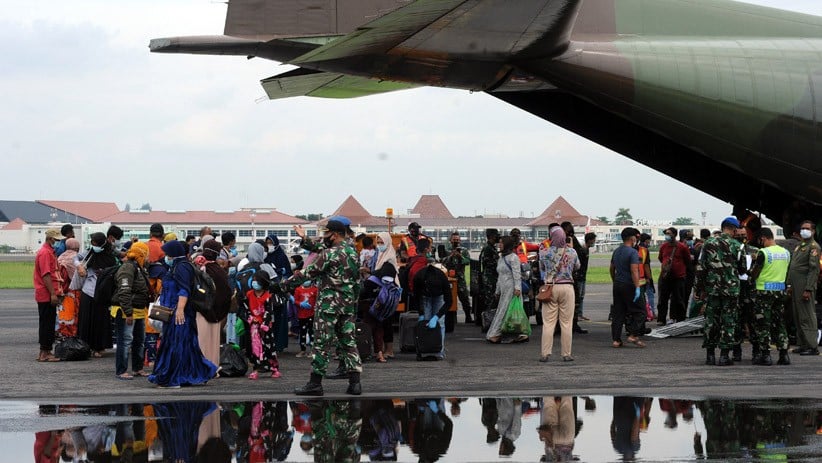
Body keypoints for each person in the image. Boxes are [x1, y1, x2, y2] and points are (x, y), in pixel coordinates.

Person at [291, 219, 362, 396]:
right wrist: (304, 238)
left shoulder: (329, 254)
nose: (324, 237)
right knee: (349, 342)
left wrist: (280, 287)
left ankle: (315, 383)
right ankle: (355, 383)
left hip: (328, 306)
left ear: (335, 234)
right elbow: (321, 247)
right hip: (347, 305)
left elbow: (307, 273)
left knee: (321, 343)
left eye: (326, 234)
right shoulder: (352, 252)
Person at [148, 240, 218, 388]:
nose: (166, 256)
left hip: (178, 313)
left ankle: (174, 377)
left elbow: (184, 289)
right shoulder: (177, 266)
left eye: (167, 253)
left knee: (176, 344)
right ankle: (197, 373)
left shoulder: (182, 267)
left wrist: (180, 309)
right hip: (175, 311)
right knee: (186, 345)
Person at [697, 216, 746, 366]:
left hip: (712, 289)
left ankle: (710, 355)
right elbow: (743, 268)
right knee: (728, 321)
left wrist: (699, 289)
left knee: (711, 321)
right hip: (731, 290)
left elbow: (701, 268)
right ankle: (724, 356)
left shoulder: (708, 243)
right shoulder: (738, 246)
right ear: (733, 229)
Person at [748, 227, 791, 365]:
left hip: (764, 292)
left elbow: (755, 272)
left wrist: (750, 274)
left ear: (763, 238)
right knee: (779, 322)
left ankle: (765, 355)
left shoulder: (763, 253)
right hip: (780, 291)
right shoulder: (786, 252)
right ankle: (784, 354)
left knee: (763, 323)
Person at [110, 241, 150, 380]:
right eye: (146, 255)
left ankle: (138, 368)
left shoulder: (139, 268)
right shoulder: (127, 268)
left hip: (138, 310)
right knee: (125, 341)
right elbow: (124, 291)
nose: (147, 258)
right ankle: (121, 370)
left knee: (139, 340)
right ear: (141, 254)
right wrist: (128, 312)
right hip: (126, 311)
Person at [540, 226, 581, 362]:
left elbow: (542, 268)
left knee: (548, 322)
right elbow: (577, 267)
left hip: (551, 288)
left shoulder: (544, 252)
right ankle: (566, 353)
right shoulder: (572, 252)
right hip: (567, 287)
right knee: (566, 322)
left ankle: (545, 353)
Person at [75, 232, 118, 358]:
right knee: (86, 320)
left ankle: (99, 347)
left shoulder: (110, 257)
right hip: (88, 291)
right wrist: (80, 267)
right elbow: (75, 258)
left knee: (101, 321)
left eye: (95, 243)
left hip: (102, 293)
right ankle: (86, 345)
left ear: (102, 243)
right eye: (92, 243)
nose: (93, 246)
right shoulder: (89, 253)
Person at [788, 220, 821, 356]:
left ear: (813, 231)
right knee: (798, 315)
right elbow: (793, 267)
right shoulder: (800, 246)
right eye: (802, 228)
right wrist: (790, 285)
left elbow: (814, 270)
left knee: (807, 316)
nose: (804, 230)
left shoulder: (814, 247)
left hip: (804, 284)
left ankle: (812, 346)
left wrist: (808, 288)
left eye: (807, 228)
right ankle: (802, 344)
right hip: (796, 284)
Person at [610, 227, 647, 349]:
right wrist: (637, 287)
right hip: (629, 285)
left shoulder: (616, 251)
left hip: (618, 284)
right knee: (641, 311)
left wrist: (615, 280)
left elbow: (611, 268)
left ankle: (616, 340)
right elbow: (634, 270)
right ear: (632, 238)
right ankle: (633, 334)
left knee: (618, 313)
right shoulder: (632, 252)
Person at [198, 239, 232, 368]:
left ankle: (203, 367)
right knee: (214, 341)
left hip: (202, 310)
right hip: (218, 312)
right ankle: (213, 367)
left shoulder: (201, 268)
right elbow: (226, 292)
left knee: (202, 340)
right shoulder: (219, 271)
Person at [413, 257, 453, 359]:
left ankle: (439, 350)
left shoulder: (442, 278)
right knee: (426, 321)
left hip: (439, 297)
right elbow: (416, 298)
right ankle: (425, 348)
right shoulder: (419, 277)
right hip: (424, 296)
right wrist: (421, 313)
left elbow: (449, 302)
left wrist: (437, 316)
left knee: (440, 323)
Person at [33, 228, 64, 362]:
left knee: (47, 323)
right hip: (46, 294)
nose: (58, 243)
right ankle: (45, 353)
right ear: (51, 239)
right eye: (56, 240)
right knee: (47, 324)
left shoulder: (49, 252)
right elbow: (46, 275)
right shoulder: (45, 253)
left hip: (46, 293)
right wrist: (53, 294)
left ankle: (44, 352)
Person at [244, 272, 282, 379]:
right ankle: (256, 369)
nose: (254, 283)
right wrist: (251, 319)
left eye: (257, 280)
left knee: (269, 348)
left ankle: (274, 368)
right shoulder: (249, 294)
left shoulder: (268, 295)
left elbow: (269, 311)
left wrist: (264, 323)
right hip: (254, 326)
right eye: (253, 280)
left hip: (265, 326)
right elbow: (246, 309)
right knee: (255, 348)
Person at [487, 236, 522, 343]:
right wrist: (497, 291)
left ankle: (496, 333)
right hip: (503, 288)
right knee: (505, 311)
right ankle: (512, 334)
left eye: (502, 243)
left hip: (511, 289)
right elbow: (500, 276)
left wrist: (517, 288)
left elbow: (517, 274)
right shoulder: (501, 258)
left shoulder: (513, 258)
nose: (499, 245)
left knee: (506, 311)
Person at [360, 263, 397, 362]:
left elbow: (362, 294)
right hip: (382, 311)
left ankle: (364, 351)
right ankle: (379, 353)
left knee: (367, 329)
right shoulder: (392, 282)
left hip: (369, 308)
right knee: (379, 330)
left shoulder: (371, 281)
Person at [657, 227, 691, 325]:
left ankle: (680, 318)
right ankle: (661, 319)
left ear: (675, 235)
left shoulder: (682, 247)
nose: (667, 235)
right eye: (666, 233)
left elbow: (687, 260)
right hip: (665, 277)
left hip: (678, 277)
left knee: (679, 299)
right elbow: (660, 258)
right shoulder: (663, 246)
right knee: (662, 299)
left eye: (669, 233)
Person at [374, 231, 398, 358]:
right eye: (378, 242)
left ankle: (389, 350)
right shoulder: (381, 256)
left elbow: (386, 277)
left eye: (381, 242)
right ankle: (383, 349)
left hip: (387, 296)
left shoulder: (389, 259)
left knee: (387, 322)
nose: (379, 245)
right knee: (382, 322)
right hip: (382, 294)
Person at [442, 231, 473, 323]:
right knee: (449, 299)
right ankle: (452, 318)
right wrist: (450, 256)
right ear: (450, 241)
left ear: (460, 240)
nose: (455, 241)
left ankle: (468, 317)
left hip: (460, 278)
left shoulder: (464, 250)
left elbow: (468, 261)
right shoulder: (446, 250)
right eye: (454, 239)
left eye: (457, 239)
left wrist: (460, 256)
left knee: (464, 298)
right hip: (449, 279)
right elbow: (442, 261)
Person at [56, 237, 81, 338]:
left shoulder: (60, 257)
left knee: (64, 314)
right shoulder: (76, 257)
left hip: (62, 291)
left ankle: (63, 333)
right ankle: (73, 336)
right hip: (73, 291)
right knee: (74, 315)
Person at [479, 228, 500, 327]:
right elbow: (488, 263)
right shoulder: (488, 249)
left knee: (492, 301)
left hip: (492, 277)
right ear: (491, 236)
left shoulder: (492, 248)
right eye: (496, 236)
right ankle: (487, 323)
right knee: (490, 301)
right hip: (489, 278)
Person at [294, 279, 318, 358]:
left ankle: (312, 350)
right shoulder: (298, 290)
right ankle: (303, 350)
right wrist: (300, 304)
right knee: (302, 332)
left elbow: (317, 301)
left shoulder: (315, 289)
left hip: (311, 314)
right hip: (302, 315)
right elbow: (295, 301)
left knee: (312, 332)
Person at [576, 232, 597, 321]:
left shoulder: (586, 249)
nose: (594, 242)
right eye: (594, 240)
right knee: (579, 296)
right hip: (580, 276)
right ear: (590, 240)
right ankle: (577, 314)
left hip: (583, 276)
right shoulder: (582, 250)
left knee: (581, 296)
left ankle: (580, 313)